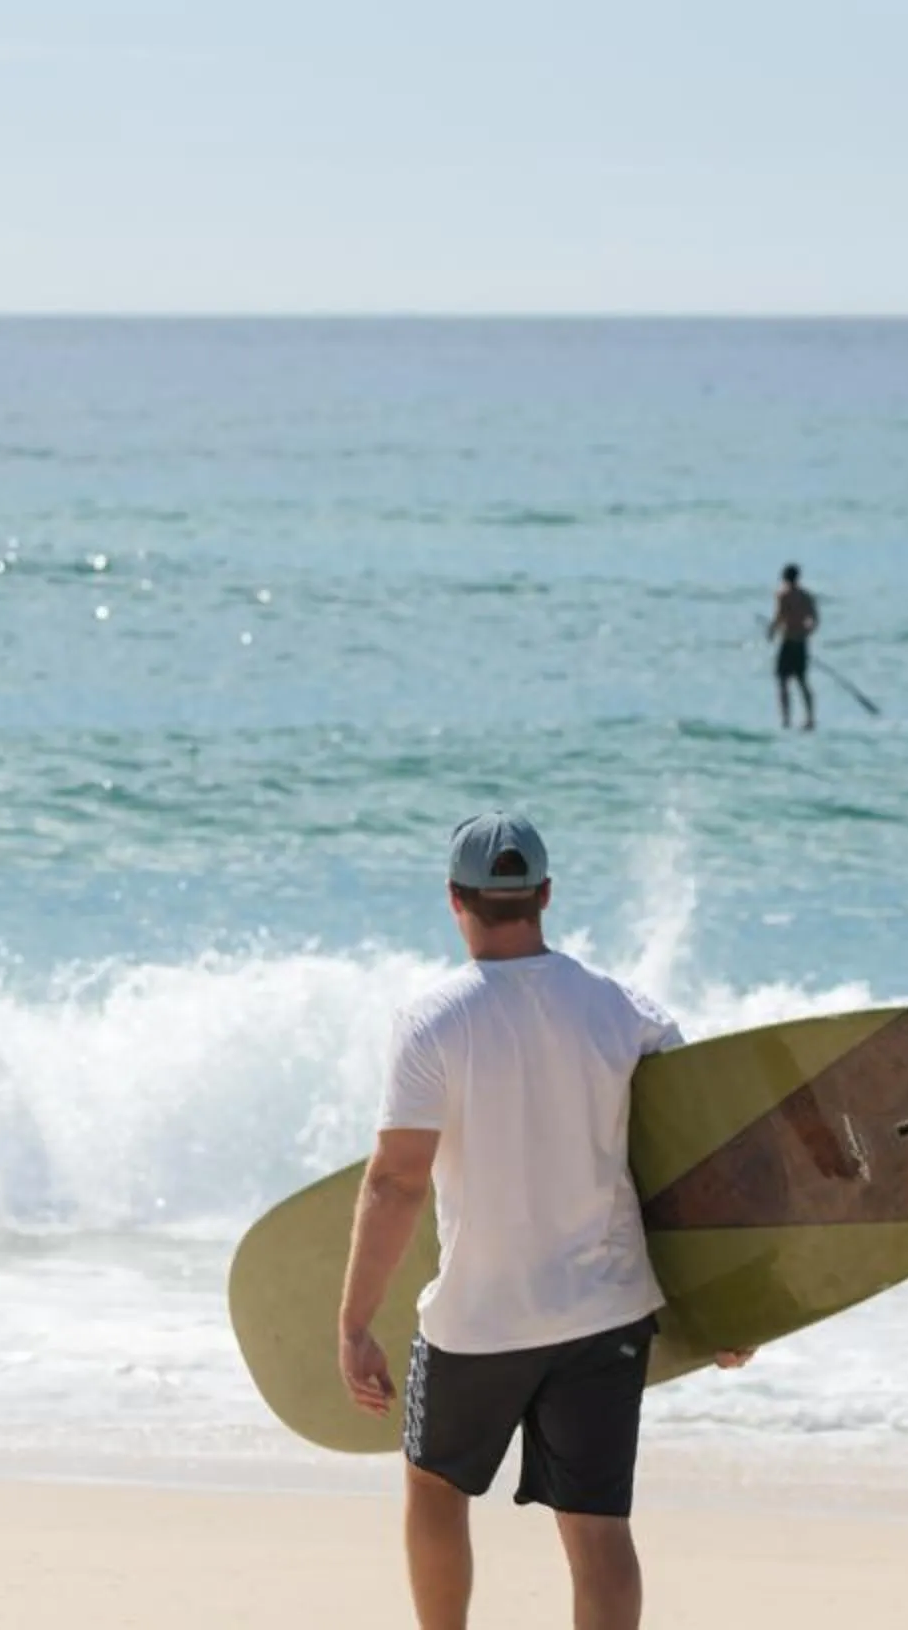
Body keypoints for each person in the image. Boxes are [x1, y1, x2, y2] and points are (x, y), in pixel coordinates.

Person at [337, 812, 750, 1630]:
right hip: (605, 1314)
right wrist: (727, 1311)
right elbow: (693, 1173)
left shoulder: (432, 1023)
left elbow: (395, 1183)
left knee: (434, 1486)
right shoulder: (628, 1012)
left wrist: (354, 1322)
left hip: (479, 1320)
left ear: (454, 900)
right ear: (546, 896)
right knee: (598, 1527)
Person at [768, 563, 819, 730]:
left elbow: (779, 617)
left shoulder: (783, 595)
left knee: (783, 682)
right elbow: (815, 620)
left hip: (788, 642)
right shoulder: (806, 596)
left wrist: (771, 631)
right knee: (802, 681)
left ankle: (786, 720)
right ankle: (810, 718)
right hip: (801, 643)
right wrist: (806, 633)